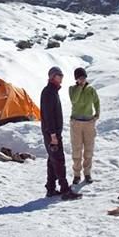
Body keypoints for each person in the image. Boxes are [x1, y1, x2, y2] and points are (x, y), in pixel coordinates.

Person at [40, 67, 81, 200]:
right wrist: (53, 135)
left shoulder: (52, 91)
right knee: (58, 160)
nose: (61, 77)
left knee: (52, 160)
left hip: (53, 133)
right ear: (52, 77)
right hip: (51, 133)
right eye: (59, 75)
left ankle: (51, 188)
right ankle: (65, 189)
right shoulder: (48, 93)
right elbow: (48, 116)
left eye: (62, 75)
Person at [68, 67, 100, 185]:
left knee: (89, 149)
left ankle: (87, 173)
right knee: (76, 150)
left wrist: (97, 114)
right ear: (76, 79)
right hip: (76, 123)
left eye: (83, 77)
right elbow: (74, 100)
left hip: (89, 123)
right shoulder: (72, 89)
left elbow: (96, 101)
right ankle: (76, 175)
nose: (82, 79)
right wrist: (80, 87)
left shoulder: (91, 89)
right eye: (80, 77)